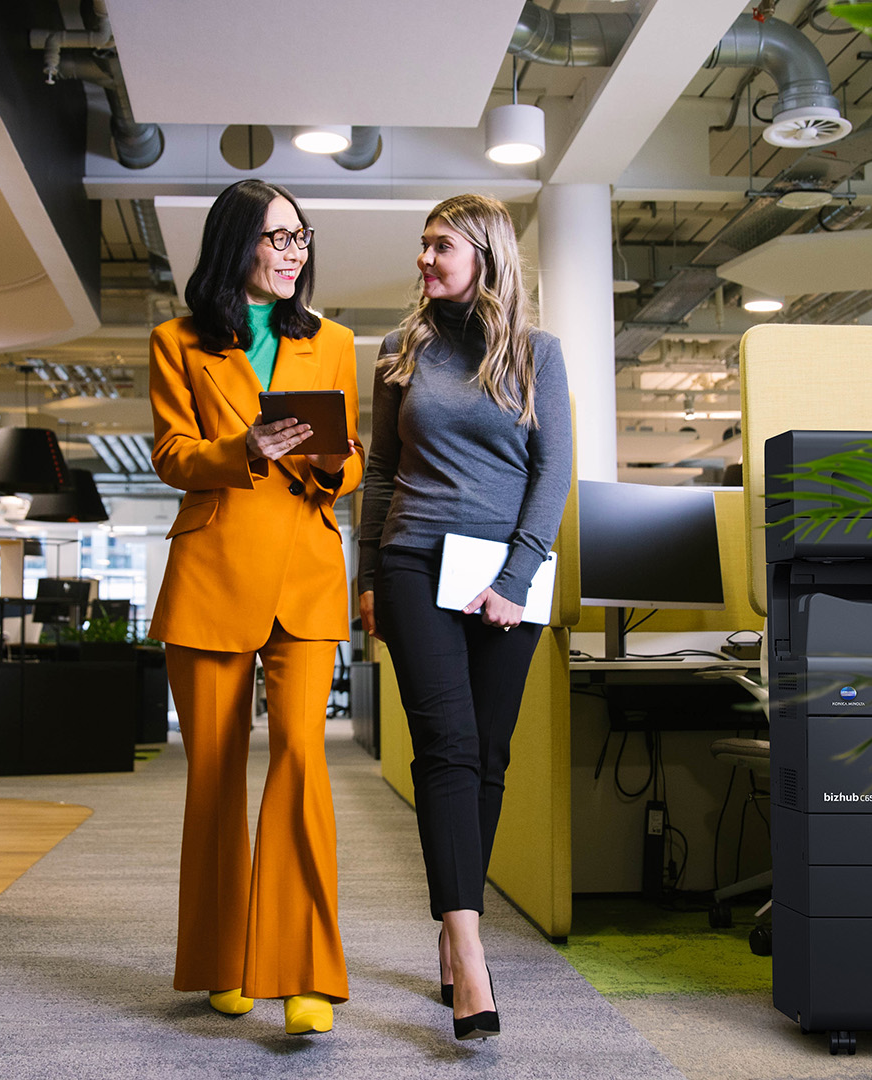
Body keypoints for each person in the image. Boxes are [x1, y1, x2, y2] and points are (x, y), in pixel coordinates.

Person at [147, 178, 364, 1035]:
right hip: (212, 573)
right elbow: (170, 453)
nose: (292, 253)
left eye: (300, 239)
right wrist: (244, 448)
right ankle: (221, 962)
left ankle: (304, 971)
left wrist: (326, 463)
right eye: (277, 239)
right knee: (212, 779)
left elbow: (349, 464)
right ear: (237, 245)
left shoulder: (336, 341)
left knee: (303, 762)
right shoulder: (177, 341)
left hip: (306, 577)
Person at [355, 193, 573, 1041]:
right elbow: (379, 472)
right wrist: (365, 577)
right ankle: (469, 950)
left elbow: (551, 473)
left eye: (440, 245)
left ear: (485, 253)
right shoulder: (398, 350)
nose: (424, 259)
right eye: (421, 245)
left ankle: (455, 930)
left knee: (489, 754)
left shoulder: (536, 356)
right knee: (445, 749)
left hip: (504, 578)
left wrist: (517, 576)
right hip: (414, 562)